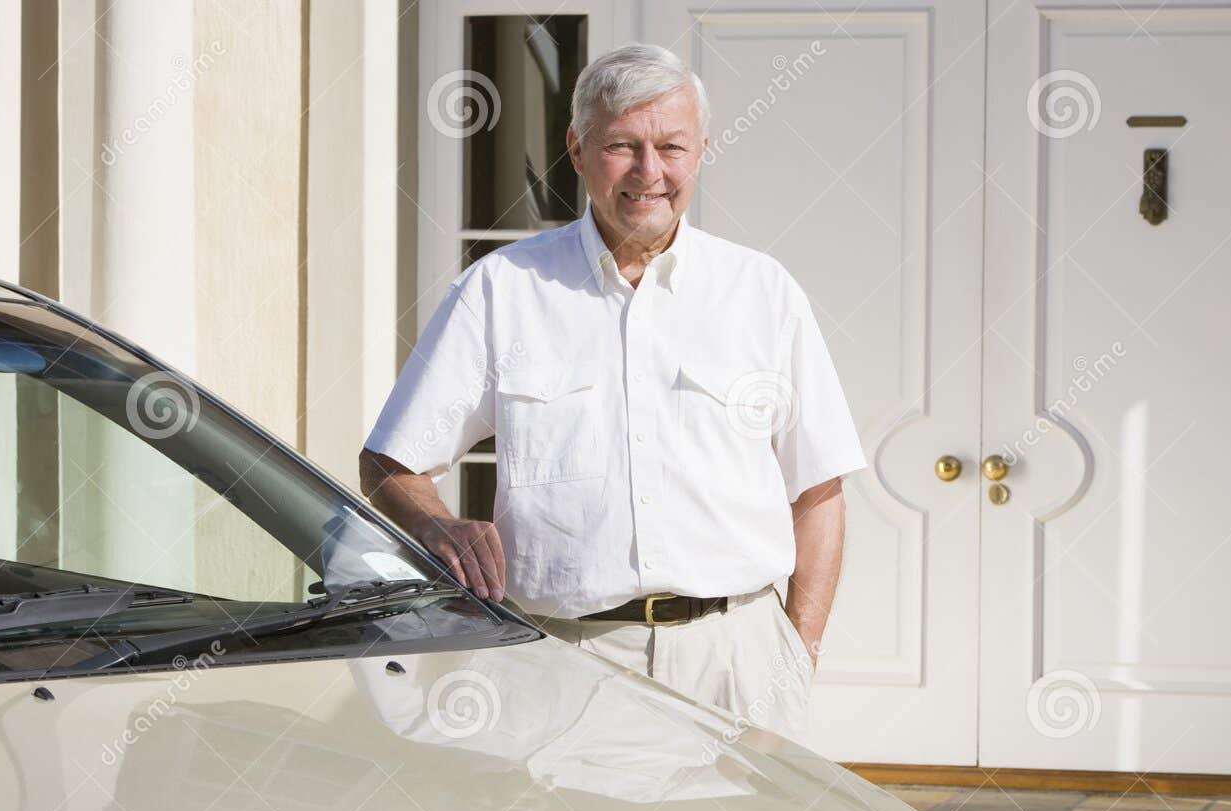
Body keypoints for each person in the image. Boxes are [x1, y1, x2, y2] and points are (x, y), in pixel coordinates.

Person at [359, 43, 865, 740]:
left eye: (671, 146)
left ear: (702, 150)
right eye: (622, 146)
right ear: (576, 146)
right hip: (565, 666)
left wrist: (794, 658)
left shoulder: (762, 293)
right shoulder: (503, 290)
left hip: (736, 664)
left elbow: (818, 493)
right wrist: (437, 525)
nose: (649, 173)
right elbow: (389, 463)